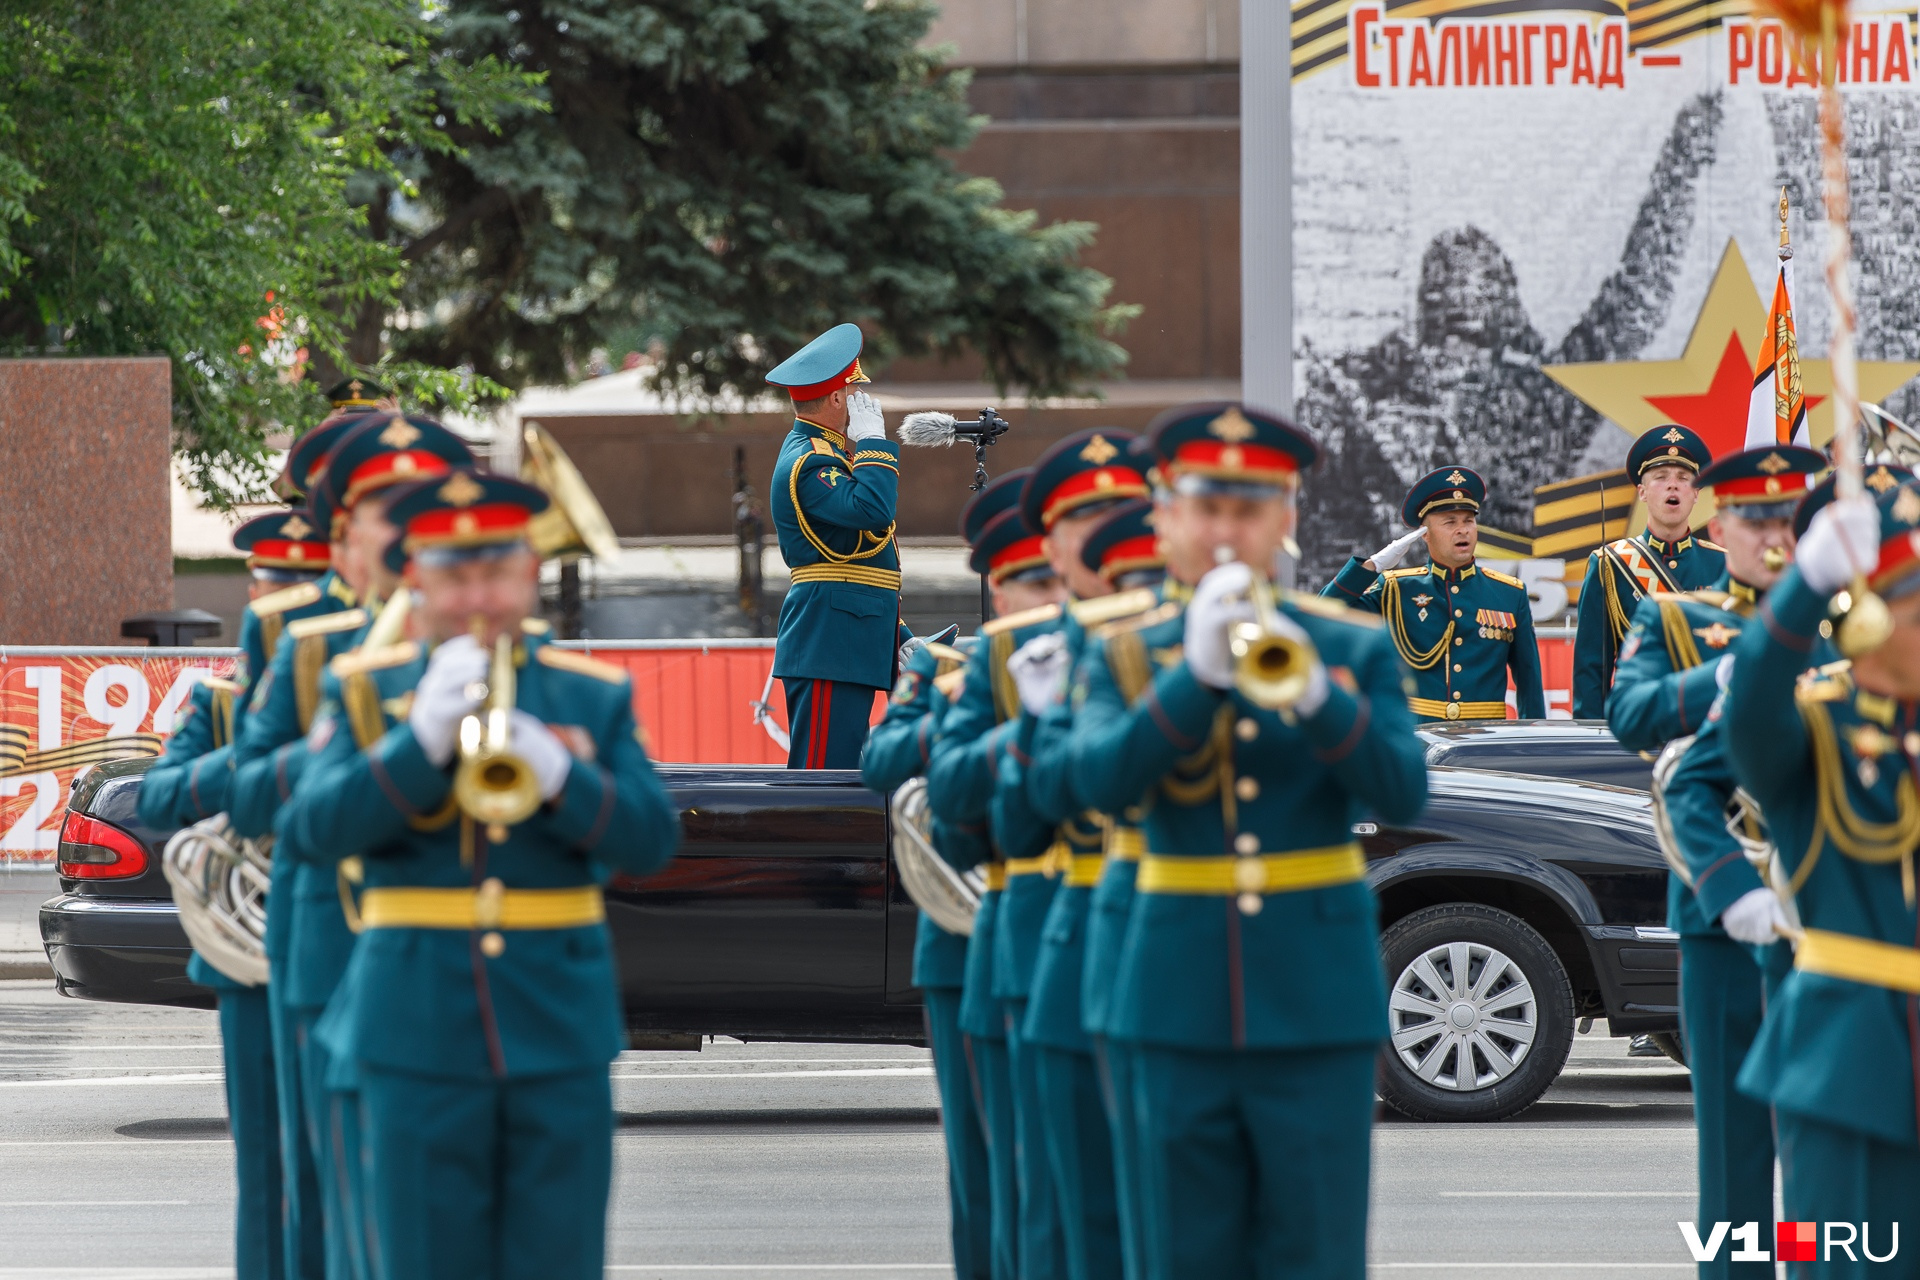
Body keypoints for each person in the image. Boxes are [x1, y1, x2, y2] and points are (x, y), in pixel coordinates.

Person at [285, 469, 682, 1280]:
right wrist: (416, 741)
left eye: (496, 573)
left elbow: (650, 841)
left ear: (530, 574)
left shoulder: (588, 694)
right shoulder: (368, 690)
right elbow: (313, 830)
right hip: (412, 1027)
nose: (478, 598)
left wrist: (563, 774)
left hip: (558, 1025)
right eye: (455, 576)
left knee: (557, 1260)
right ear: (417, 580)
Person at [1066, 402, 1429, 1278]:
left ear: (1287, 519)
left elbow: (1402, 788)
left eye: (1251, 509)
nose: (1228, 530)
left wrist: (1318, 696)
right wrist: (1191, 680)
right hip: (1170, 1000)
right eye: (1208, 507)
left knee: (1316, 1252)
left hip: (1314, 1001)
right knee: (1181, 1255)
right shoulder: (1123, 651)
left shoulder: (1347, 644)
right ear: (1166, 515)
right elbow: (1096, 783)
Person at [231, 415, 474, 1280]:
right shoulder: (303, 644)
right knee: (327, 1210)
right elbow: (250, 790)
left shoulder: (501, 647)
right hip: (332, 939)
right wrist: (343, 744)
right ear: (346, 535)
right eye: (386, 507)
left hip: (462, 959)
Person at [1605, 444, 1823, 1277]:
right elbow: (1629, 716)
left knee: (1823, 1144)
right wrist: (1723, 677)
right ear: (1719, 527)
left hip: (1831, 906)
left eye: (1785, 519)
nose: (1771, 537)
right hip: (1719, 905)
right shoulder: (1675, 619)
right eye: (1753, 519)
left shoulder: (1857, 625)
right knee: (1734, 1154)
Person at [1723, 479, 1920, 1262]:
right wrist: (1806, 584)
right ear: (1871, 621)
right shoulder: (1815, 729)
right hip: (1848, 1058)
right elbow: (1749, 714)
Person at [140, 512, 326, 1280]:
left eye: (301, 589)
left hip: (340, 930)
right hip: (250, 954)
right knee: (267, 1170)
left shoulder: (363, 680)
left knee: (338, 1169)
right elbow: (155, 799)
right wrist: (245, 770)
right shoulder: (222, 701)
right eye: (273, 590)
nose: (281, 607)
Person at [985, 431, 1153, 1280]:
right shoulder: (1003, 663)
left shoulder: (1192, 638)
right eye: (1082, 518)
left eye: (1119, 512)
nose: (1100, 534)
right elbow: (997, 824)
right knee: (1062, 1216)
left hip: (1186, 949)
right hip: (1063, 933)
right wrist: (1037, 723)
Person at [927, 470, 1069, 1280]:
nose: (1043, 593)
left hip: (1126, 938)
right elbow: (949, 810)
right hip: (1003, 936)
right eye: (1025, 580)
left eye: (1052, 574)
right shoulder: (969, 673)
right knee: (1001, 1184)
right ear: (996, 588)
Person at [861, 637, 991, 1280]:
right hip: (965, 942)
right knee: (979, 1176)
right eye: (1026, 582)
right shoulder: (940, 669)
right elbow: (880, 760)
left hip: (1076, 932)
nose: (1042, 597)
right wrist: (955, 706)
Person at [766, 323, 905, 768]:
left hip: (847, 641)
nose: (860, 401)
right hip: (831, 644)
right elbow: (872, 512)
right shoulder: (812, 461)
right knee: (823, 785)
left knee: (840, 784)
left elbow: (856, 565)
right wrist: (874, 444)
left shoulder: (826, 453)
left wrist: (896, 637)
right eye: (853, 390)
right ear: (837, 398)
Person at [1323, 465, 1544, 721]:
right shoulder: (1396, 589)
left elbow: (1529, 681)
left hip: (1485, 739)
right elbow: (1326, 612)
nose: (1462, 530)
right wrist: (1373, 566)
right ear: (1424, 535)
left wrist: (1533, 740)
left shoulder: (1509, 593)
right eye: (1450, 522)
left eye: (1468, 521)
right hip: (1419, 739)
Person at [1572, 424, 1723, 718]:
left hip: (1705, 727)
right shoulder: (1609, 564)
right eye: (1661, 477)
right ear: (1642, 492)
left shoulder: (1723, 564)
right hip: (1640, 726)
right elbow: (1592, 668)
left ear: (1696, 493)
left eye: (1684, 478)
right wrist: (1592, 738)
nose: (1673, 485)